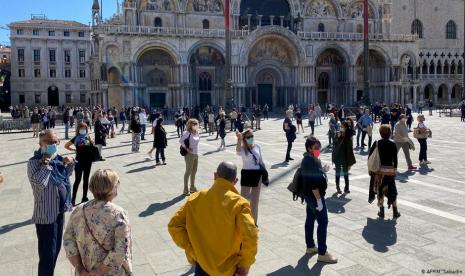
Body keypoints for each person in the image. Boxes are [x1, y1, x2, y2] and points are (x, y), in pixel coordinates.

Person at [168, 161, 258, 276]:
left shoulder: (195, 198)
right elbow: (251, 235)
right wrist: (245, 264)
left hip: (201, 263)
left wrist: (192, 250)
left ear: (215, 175)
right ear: (235, 182)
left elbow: (173, 226)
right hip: (227, 269)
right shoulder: (239, 204)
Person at [63, 169, 133, 276]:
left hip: (85, 272)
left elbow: (68, 240)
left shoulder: (78, 210)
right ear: (111, 188)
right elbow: (121, 249)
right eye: (116, 184)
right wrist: (98, 271)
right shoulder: (119, 214)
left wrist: (79, 268)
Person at [28, 130, 75, 276]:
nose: (53, 145)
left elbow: (63, 178)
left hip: (59, 212)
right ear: (41, 143)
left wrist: (69, 164)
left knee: (55, 251)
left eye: (56, 142)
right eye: (50, 142)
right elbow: (40, 183)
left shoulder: (57, 159)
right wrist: (46, 163)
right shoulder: (34, 163)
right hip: (46, 216)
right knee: (47, 256)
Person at [300, 136, 338, 263]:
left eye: (319, 147)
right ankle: (322, 253)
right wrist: (319, 200)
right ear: (309, 148)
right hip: (314, 196)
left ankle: (310, 246)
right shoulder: (309, 161)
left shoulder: (312, 159)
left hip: (311, 196)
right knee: (323, 222)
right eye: (316, 148)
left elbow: (315, 176)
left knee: (310, 219)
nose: (318, 150)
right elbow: (313, 184)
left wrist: (322, 170)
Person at [368, 125, 401, 219]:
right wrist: (395, 170)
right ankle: (395, 211)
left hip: (378, 171)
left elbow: (370, 157)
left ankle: (381, 211)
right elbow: (395, 159)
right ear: (390, 133)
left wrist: (370, 169)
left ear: (380, 133)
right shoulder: (392, 144)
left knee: (380, 190)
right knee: (392, 191)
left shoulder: (376, 143)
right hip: (389, 172)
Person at [236, 129, 266, 224]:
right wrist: (239, 139)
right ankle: (242, 222)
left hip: (257, 174)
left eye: (252, 136)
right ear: (245, 138)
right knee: (243, 200)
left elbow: (261, 161)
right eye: (248, 137)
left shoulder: (257, 146)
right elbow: (237, 151)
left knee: (255, 201)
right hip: (247, 174)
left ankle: (254, 223)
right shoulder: (243, 148)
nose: (251, 138)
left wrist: (265, 173)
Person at [65, 122, 95, 206]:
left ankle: (84, 197)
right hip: (78, 161)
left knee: (86, 180)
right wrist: (73, 150)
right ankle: (73, 200)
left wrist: (92, 142)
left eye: (84, 128)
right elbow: (66, 145)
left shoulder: (88, 137)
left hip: (88, 161)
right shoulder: (76, 138)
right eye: (81, 129)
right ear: (78, 129)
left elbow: (92, 148)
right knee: (77, 180)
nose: (83, 130)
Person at [332, 121, 356, 194]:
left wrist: (345, 133)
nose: (341, 128)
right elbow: (334, 143)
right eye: (340, 126)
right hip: (338, 156)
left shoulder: (348, 135)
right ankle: (338, 187)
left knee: (346, 173)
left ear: (345, 128)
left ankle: (347, 188)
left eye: (342, 127)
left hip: (345, 157)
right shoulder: (338, 134)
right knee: (338, 172)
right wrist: (338, 137)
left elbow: (353, 132)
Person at [180, 119, 200, 195]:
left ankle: (192, 187)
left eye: (196, 123)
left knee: (194, 171)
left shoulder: (197, 132)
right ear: (190, 125)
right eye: (194, 124)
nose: (196, 125)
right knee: (188, 171)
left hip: (196, 154)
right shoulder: (187, 133)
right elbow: (181, 141)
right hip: (189, 155)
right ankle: (185, 189)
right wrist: (187, 148)